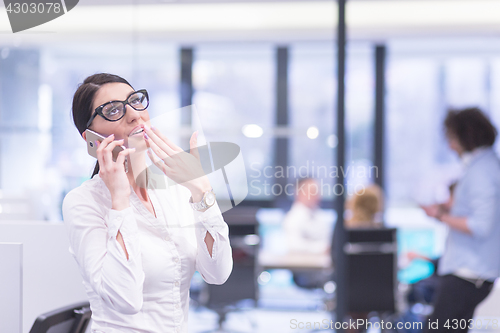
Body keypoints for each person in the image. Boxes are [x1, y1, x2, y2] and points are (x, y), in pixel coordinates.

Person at [62, 73, 233, 333]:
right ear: (91, 138)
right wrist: (119, 201)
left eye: (135, 100)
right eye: (113, 110)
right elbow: (125, 300)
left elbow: (218, 274)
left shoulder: (173, 188)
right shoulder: (83, 202)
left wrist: (201, 188)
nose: (134, 114)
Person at [421, 107, 500, 333]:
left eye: (452, 139)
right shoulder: (486, 166)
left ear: (466, 136)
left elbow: (481, 225)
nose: (451, 146)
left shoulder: (482, 172)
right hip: (472, 273)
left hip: (467, 274)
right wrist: (449, 209)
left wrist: (441, 215)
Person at [282, 177, 332, 288]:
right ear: (299, 193)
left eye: (317, 191)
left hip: (324, 268)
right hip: (306, 273)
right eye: (312, 191)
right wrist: (323, 248)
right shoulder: (293, 218)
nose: (317, 195)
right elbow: (294, 246)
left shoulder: (319, 215)